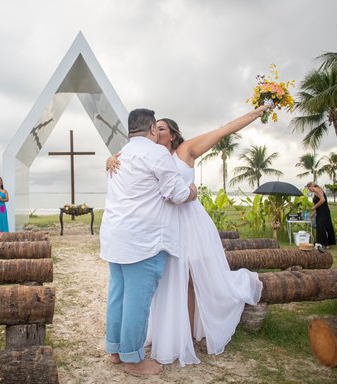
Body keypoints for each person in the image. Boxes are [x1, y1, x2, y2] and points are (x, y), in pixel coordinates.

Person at [107, 104, 270, 366]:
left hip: (189, 224)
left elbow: (223, 130)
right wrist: (109, 160)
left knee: (190, 279)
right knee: (160, 285)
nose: (157, 130)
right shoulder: (143, 153)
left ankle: (188, 336)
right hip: (162, 226)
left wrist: (255, 113)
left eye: (163, 127)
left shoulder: (185, 151)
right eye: (155, 126)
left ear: (172, 135)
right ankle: (161, 335)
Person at [100, 108, 198, 376]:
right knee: (137, 300)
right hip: (143, 239)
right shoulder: (156, 153)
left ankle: (116, 350)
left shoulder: (120, 154)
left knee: (117, 295)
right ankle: (134, 360)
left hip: (115, 236)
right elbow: (174, 192)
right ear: (153, 129)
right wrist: (191, 192)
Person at [306, 182, 336, 249]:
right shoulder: (315, 192)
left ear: (311, 186)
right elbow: (318, 207)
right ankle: (322, 243)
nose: (309, 190)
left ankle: (323, 244)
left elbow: (323, 200)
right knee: (320, 227)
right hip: (319, 212)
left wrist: (314, 206)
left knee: (321, 227)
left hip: (324, 212)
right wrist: (312, 214)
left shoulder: (317, 190)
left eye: (309, 188)